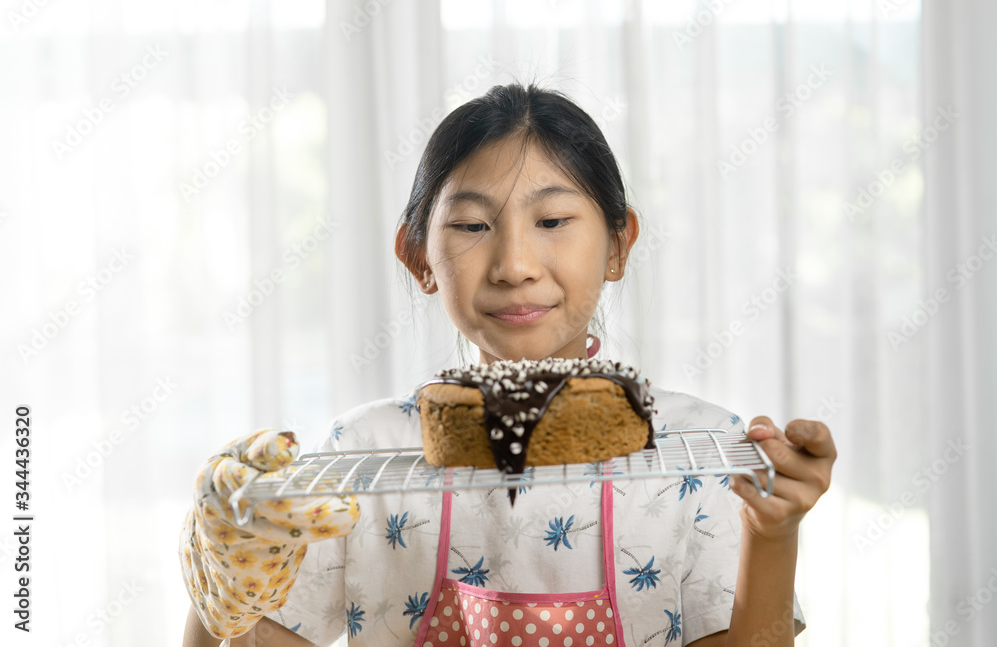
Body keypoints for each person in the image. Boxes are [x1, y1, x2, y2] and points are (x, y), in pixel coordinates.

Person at [181, 82, 836, 647]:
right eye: (471, 226)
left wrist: (772, 534)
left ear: (617, 244)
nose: (514, 264)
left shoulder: (702, 454)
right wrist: (224, 570)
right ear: (417, 257)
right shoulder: (361, 453)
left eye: (552, 219)